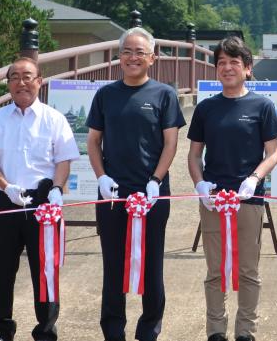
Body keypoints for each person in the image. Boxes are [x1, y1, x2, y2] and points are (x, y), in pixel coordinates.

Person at [86, 27, 186, 341]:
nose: (133, 57)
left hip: (152, 195)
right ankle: (113, 330)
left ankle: (149, 330)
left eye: (140, 52)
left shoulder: (164, 95)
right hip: (113, 195)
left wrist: (156, 180)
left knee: (151, 265)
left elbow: (171, 143)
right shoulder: (106, 95)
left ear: (152, 58)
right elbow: (93, 142)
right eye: (127, 51)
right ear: (119, 57)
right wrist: (101, 177)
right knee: (113, 265)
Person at [0, 57, 80, 341]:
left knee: (46, 271)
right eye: (14, 77)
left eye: (27, 76)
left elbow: (63, 160)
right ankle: (1, 328)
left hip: (43, 203)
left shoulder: (54, 118)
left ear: (39, 81)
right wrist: (6, 186)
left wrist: (58, 188)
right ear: (8, 83)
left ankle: (46, 329)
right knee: (3, 269)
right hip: (7, 200)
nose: (21, 82)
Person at [187, 36, 277, 341]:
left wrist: (255, 178)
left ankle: (246, 331)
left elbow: (274, 153)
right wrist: (199, 184)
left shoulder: (262, 106)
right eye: (221, 63)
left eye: (234, 62)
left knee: (248, 271)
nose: (227, 68)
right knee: (215, 270)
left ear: (248, 68)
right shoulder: (206, 108)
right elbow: (193, 154)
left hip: (249, 199)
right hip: (214, 200)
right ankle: (216, 330)